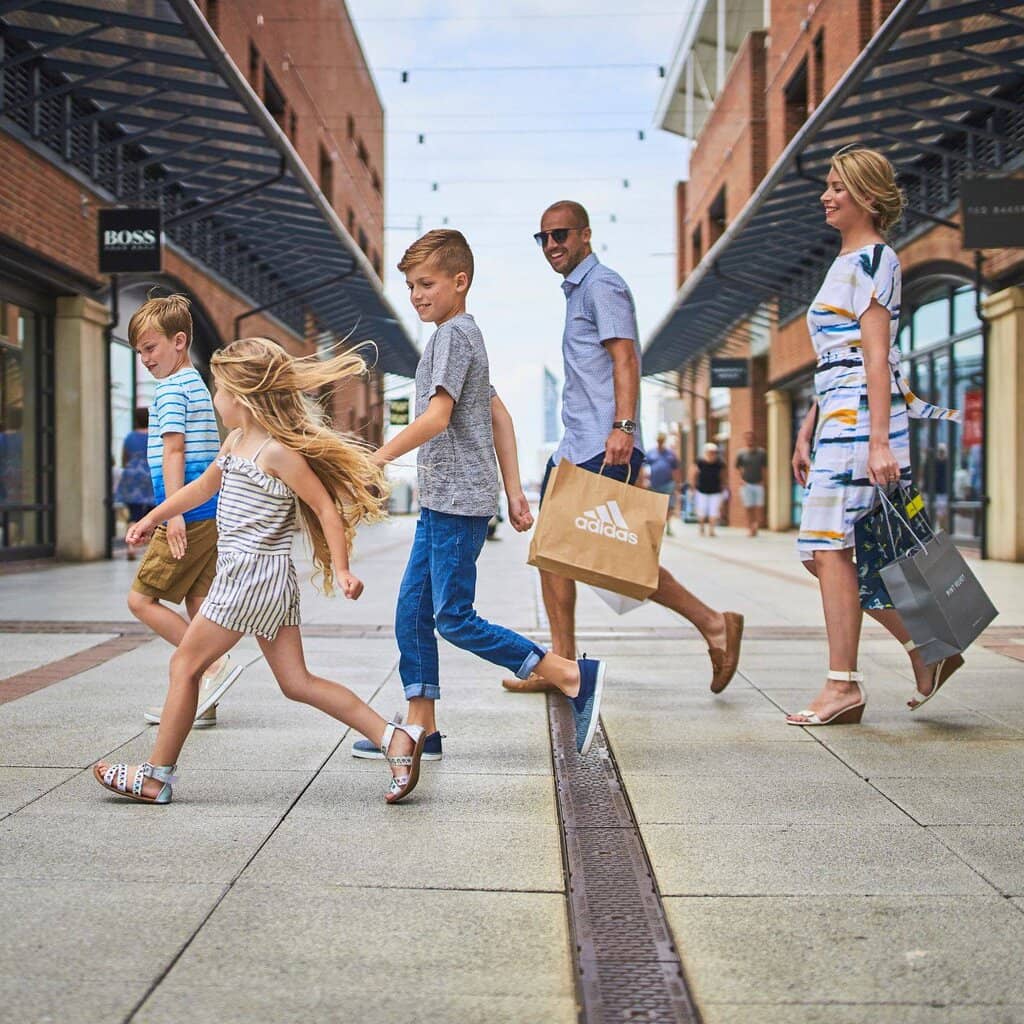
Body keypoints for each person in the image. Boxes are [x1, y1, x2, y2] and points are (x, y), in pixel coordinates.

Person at [94, 338, 429, 805]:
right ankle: (395, 738)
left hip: (249, 577)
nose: (215, 398)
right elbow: (200, 489)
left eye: (219, 389)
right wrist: (153, 517)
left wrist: (344, 568)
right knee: (297, 683)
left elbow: (325, 509)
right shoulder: (236, 443)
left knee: (185, 664)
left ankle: (156, 777)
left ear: (243, 396)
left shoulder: (275, 452)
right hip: (264, 581)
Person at [346, 229, 606, 757]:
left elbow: (437, 418)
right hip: (450, 499)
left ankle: (567, 673)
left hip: (455, 501)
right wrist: (513, 492)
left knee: (454, 618)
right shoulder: (465, 335)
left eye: (426, 283)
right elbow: (499, 415)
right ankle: (423, 728)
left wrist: (374, 458)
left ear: (459, 282)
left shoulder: (451, 337)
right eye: (410, 286)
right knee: (412, 612)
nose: (416, 295)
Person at [504, 201, 743, 697]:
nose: (552, 245)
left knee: (615, 558)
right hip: (576, 447)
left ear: (585, 235)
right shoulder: (578, 292)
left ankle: (714, 623)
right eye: (543, 237)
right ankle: (564, 665)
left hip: (603, 444)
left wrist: (624, 427)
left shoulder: (602, 285)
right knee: (552, 553)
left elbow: (626, 357)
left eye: (561, 235)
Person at [788, 147, 961, 727]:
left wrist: (881, 439)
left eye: (838, 186)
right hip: (838, 413)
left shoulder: (875, 258)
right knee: (823, 552)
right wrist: (806, 429)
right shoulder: (845, 261)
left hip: (863, 416)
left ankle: (845, 685)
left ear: (866, 194)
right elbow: (834, 358)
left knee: (830, 548)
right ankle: (927, 645)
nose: (826, 195)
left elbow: (877, 355)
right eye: (828, 186)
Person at [125, 294, 241, 730]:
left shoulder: (171, 389)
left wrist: (170, 515)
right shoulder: (195, 384)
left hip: (186, 515)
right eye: (139, 351)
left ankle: (213, 666)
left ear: (179, 341)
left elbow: (174, 451)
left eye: (150, 348)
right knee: (198, 602)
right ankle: (201, 700)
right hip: (207, 513)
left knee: (140, 599)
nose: (145, 359)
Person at [115, 407, 156, 560]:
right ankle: (151, 549)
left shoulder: (130, 437)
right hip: (150, 475)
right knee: (154, 514)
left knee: (134, 514)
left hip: (132, 477)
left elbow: (124, 459)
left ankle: (131, 547)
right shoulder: (154, 436)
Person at [646, 432, 681, 535]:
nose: (660, 442)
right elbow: (644, 468)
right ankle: (656, 526)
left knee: (668, 506)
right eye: (659, 440)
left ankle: (668, 526)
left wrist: (677, 483)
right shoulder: (651, 453)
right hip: (654, 483)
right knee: (656, 506)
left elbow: (676, 470)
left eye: (662, 440)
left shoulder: (670, 454)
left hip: (668, 483)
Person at [735, 431, 767, 537]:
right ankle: (750, 528)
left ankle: (756, 525)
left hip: (758, 483)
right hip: (746, 484)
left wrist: (764, 481)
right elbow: (738, 468)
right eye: (747, 439)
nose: (750, 441)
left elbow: (764, 468)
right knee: (748, 507)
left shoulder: (762, 453)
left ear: (755, 440)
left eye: (751, 439)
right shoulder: (741, 453)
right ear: (745, 440)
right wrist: (740, 479)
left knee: (759, 507)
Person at [691, 442, 726, 537]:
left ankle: (711, 530)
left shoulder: (719, 463)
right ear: (705, 452)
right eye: (710, 452)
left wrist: (723, 486)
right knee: (701, 510)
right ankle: (701, 527)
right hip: (702, 490)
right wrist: (693, 487)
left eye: (714, 452)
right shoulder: (700, 462)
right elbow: (694, 474)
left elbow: (723, 475)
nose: (712, 454)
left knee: (713, 511)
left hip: (715, 490)